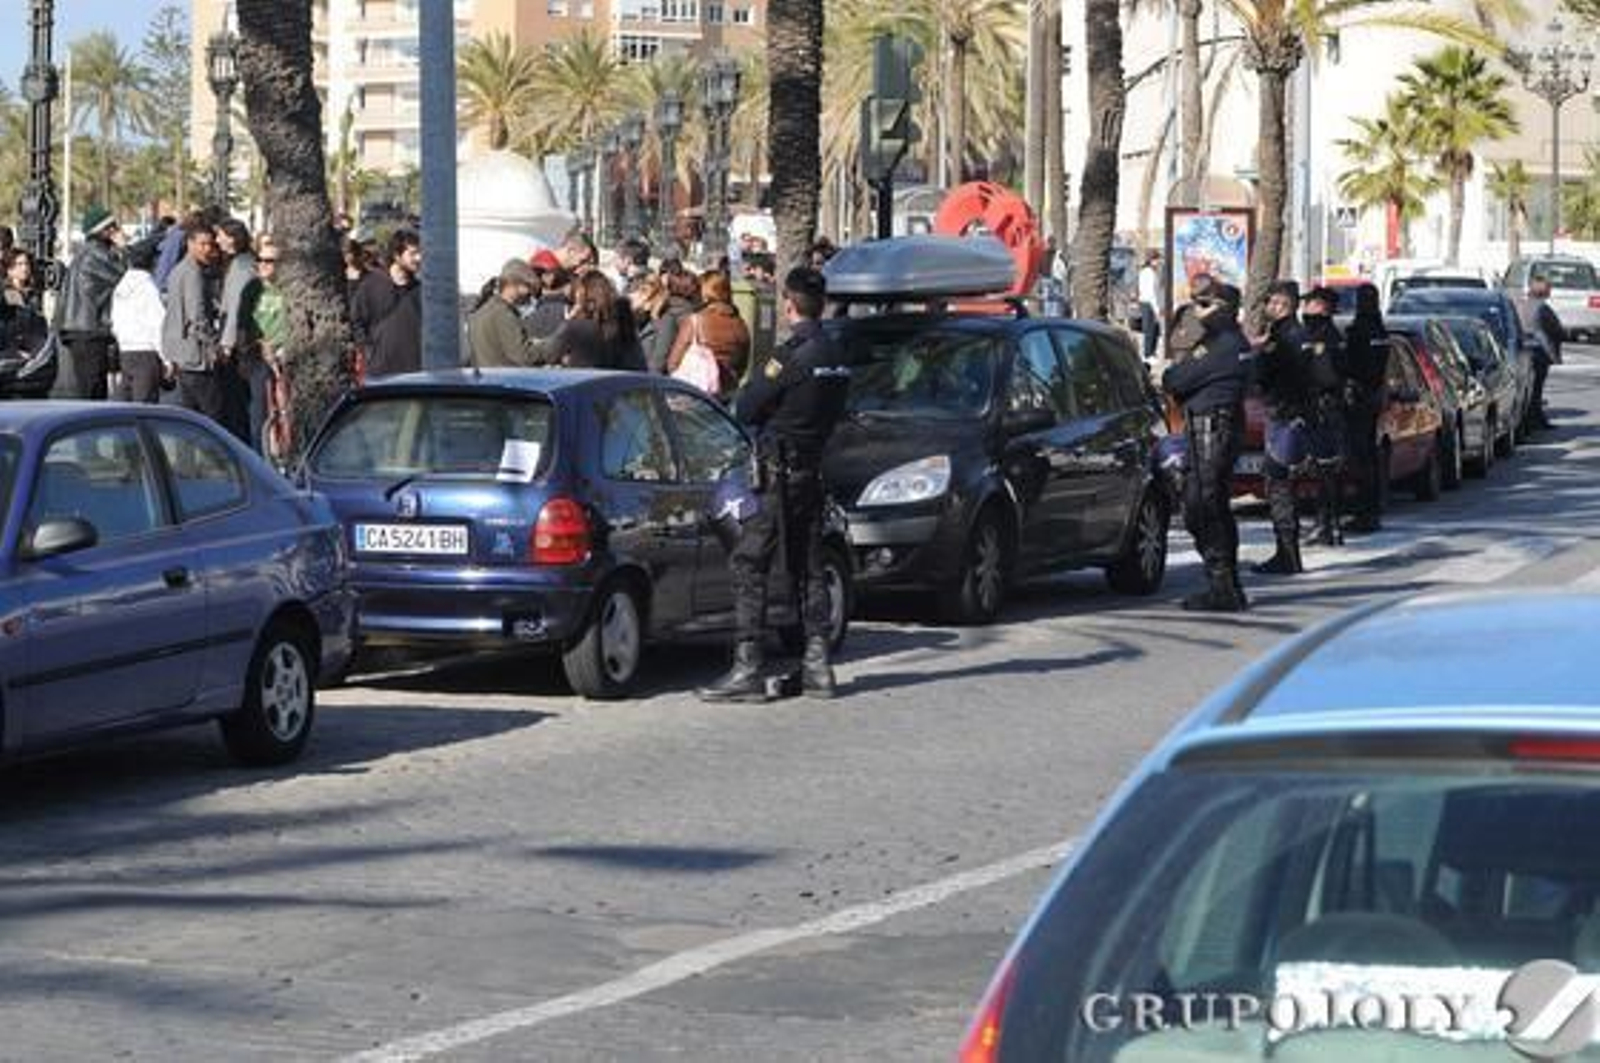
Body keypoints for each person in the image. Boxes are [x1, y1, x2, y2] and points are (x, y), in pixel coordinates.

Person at [700, 267, 851, 702]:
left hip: (776, 474)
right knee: (808, 566)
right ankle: (818, 664)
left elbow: (746, 407)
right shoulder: (836, 355)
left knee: (749, 563)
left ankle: (747, 667)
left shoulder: (791, 356)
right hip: (811, 471)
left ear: (789, 304)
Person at [1162, 282, 1250, 613]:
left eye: (1203, 305)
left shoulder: (1223, 344)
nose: (1197, 312)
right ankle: (1226, 583)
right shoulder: (1226, 342)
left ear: (1222, 308)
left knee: (1203, 506)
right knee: (1212, 506)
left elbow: (1176, 380)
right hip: (1213, 426)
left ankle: (1222, 584)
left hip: (1211, 428)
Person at [1252, 281, 1314, 576]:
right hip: (1296, 416)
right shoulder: (1301, 334)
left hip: (1283, 415)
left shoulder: (1281, 339)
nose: (1270, 308)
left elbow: (1261, 376)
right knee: (1283, 484)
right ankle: (1288, 553)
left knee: (1278, 484)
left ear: (1283, 305)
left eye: (1274, 303)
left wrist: (1259, 354)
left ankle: (1287, 555)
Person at [53, 206, 127, 400]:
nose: (117, 231)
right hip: (88, 330)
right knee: (93, 390)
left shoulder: (87, 252)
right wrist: (124, 248)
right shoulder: (96, 254)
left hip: (81, 330)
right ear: (102, 230)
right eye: (112, 227)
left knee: (90, 387)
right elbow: (126, 276)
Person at [1300, 286, 1350, 547]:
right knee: (1326, 470)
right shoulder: (1329, 334)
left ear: (1322, 308)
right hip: (1327, 408)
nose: (1305, 309)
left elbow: (1327, 376)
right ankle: (1330, 524)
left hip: (1322, 409)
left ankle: (1325, 524)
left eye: (1310, 304)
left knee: (1324, 470)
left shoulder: (1323, 336)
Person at [163, 221, 226, 423]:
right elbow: (197, 316)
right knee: (212, 416)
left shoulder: (179, 270)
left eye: (210, 244)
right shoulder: (192, 272)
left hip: (182, 354)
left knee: (190, 418)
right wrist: (215, 345)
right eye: (202, 244)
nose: (207, 249)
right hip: (196, 356)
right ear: (190, 243)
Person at [1341, 283, 1387, 534]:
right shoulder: (1379, 329)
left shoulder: (1361, 330)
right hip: (1373, 395)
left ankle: (1364, 512)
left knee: (1360, 458)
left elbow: (1353, 365)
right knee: (1369, 455)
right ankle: (1371, 509)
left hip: (1361, 397)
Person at [666, 269, 751, 398]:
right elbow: (742, 367)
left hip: (695, 396)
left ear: (705, 294)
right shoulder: (741, 325)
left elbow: (673, 363)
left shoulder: (695, 321)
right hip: (726, 396)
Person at [350, 229, 423, 378]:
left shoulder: (421, 291)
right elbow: (356, 322)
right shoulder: (371, 285)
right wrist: (369, 352)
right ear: (397, 255)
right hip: (381, 374)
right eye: (413, 253)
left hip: (416, 375)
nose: (419, 258)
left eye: (420, 253)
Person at [216, 218, 261, 445]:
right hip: (240, 338)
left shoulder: (242, 267)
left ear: (232, 238)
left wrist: (226, 343)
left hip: (239, 343)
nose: (217, 240)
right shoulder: (240, 263)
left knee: (236, 402)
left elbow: (234, 307)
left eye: (221, 235)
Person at [545, 272, 645, 370]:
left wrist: (568, 320)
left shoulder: (576, 328)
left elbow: (548, 354)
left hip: (584, 384)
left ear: (583, 299)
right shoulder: (626, 327)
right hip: (622, 384)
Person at [111, 238, 169, 403]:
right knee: (145, 408)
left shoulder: (121, 286)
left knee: (126, 407)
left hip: (126, 351)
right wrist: (167, 359)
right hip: (146, 354)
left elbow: (115, 322)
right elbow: (158, 324)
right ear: (152, 261)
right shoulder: (147, 287)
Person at [468, 258, 544, 368]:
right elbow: (524, 357)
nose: (530, 295)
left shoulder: (481, 312)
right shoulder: (504, 315)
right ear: (515, 284)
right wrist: (551, 346)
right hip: (504, 382)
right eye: (528, 287)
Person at [1525, 276, 1562, 430]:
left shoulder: (1524, 304)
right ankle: (1535, 421)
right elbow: (1541, 334)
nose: (1550, 291)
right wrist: (1553, 356)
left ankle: (1537, 419)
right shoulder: (1540, 308)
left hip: (1530, 352)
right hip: (1538, 354)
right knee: (1535, 390)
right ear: (1541, 290)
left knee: (1534, 389)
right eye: (1548, 288)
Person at [1137, 250, 1163, 363]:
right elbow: (1151, 293)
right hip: (1148, 303)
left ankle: (1150, 353)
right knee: (1150, 330)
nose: (1159, 262)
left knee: (1152, 329)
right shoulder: (1149, 272)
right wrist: (1157, 308)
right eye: (1157, 259)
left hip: (1145, 302)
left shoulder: (1145, 271)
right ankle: (1148, 355)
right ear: (1152, 260)